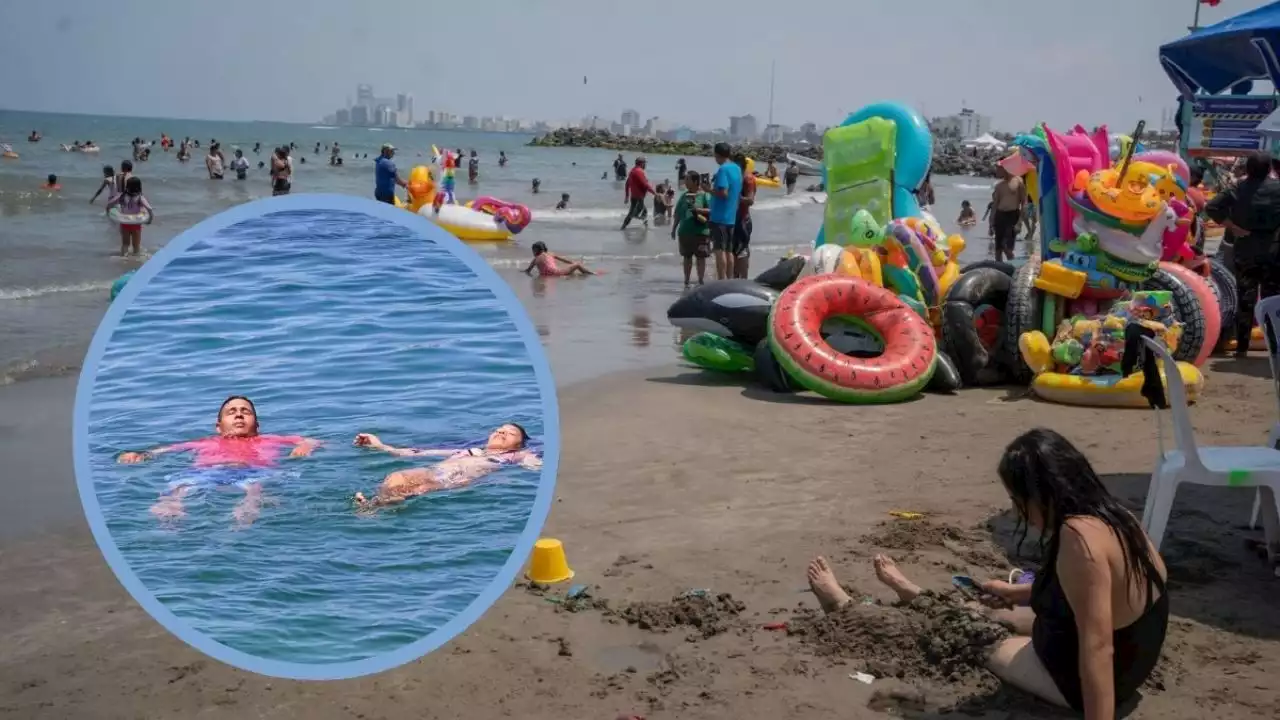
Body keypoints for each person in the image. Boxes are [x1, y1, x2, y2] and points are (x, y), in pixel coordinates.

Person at [805, 428, 1168, 717]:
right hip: (1133, 664)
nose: (1017, 511)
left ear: (1041, 494)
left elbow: (1098, 647)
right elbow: (1094, 591)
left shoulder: (1078, 539)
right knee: (989, 609)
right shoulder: (1115, 517)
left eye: (1017, 501)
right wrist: (1016, 594)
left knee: (961, 631)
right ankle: (912, 593)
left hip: (1073, 677)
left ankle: (847, 605)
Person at [117, 396, 321, 526]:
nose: (239, 415)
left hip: (253, 471)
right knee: (181, 485)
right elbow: (163, 450)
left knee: (255, 488)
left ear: (257, 424)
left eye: (245, 411)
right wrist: (140, 455)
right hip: (207, 472)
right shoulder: (203, 442)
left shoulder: (270, 439)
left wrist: (305, 446)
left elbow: (311, 440)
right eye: (231, 412)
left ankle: (248, 508)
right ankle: (171, 506)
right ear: (219, 426)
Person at [352, 424, 542, 508]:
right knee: (397, 477)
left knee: (418, 489)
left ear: (518, 443)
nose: (501, 432)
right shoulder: (468, 450)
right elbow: (414, 453)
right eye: (499, 429)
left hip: (458, 479)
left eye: (510, 433)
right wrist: (379, 445)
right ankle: (375, 505)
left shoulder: (517, 455)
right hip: (433, 471)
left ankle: (375, 507)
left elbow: (536, 467)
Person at [1204, 151, 1280, 356]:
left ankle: (1242, 347)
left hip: (1245, 251)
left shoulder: (1237, 188)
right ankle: (1274, 347)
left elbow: (1211, 207)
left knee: (1245, 300)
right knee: (1271, 300)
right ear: (1269, 169)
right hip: (1273, 252)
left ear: (1248, 169)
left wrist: (1233, 227)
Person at [709, 143, 744, 280]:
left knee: (719, 250)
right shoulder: (737, 169)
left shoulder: (723, 170)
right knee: (729, 251)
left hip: (719, 216)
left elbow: (723, 193)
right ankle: (729, 279)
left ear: (717, 155)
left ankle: (721, 280)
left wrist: (708, 190)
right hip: (731, 216)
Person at [672, 170, 712, 287]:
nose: (685, 182)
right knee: (687, 257)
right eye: (685, 179)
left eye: (688, 180)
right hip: (685, 232)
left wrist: (697, 210)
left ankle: (700, 281)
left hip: (701, 232)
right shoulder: (684, 196)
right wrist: (674, 228)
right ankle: (686, 281)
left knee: (701, 257)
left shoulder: (704, 195)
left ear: (695, 182)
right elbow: (678, 213)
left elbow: (711, 211)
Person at [105, 176, 153, 256]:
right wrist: (149, 220)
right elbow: (149, 209)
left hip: (125, 223)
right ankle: (136, 259)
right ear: (139, 187)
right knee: (136, 245)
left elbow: (109, 204)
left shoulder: (122, 196)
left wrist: (108, 213)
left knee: (125, 244)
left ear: (127, 186)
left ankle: (124, 257)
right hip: (136, 224)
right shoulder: (140, 198)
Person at [991, 167, 1026, 262]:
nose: (997, 171)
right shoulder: (999, 185)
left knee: (1007, 247)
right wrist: (991, 223)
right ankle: (999, 270)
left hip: (1012, 215)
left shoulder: (1018, 181)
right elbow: (995, 205)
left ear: (1005, 168)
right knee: (998, 249)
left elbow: (1024, 202)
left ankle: (1013, 268)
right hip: (1000, 215)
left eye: (999, 169)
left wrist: (1020, 222)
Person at [732, 153, 757, 279]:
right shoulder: (735, 178)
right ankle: (734, 279)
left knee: (742, 251)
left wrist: (736, 197)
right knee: (733, 251)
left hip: (743, 220)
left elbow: (750, 200)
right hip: (732, 219)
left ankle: (744, 280)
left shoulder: (748, 179)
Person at [523, 241, 594, 277]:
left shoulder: (535, 259)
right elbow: (564, 260)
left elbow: (528, 271)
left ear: (537, 250)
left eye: (534, 250)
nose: (533, 252)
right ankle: (591, 273)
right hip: (557, 273)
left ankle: (587, 274)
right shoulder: (550, 254)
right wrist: (572, 263)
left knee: (572, 273)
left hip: (547, 276)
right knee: (577, 265)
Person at [621, 156, 655, 230]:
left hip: (634, 196)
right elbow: (645, 185)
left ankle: (625, 226)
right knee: (635, 213)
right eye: (645, 163)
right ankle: (625, 226)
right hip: (638, 197)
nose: (645, 165)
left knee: (642, 211)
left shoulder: (632, 171)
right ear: (642, 163)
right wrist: (655, 193)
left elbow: (627, 184)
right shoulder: (639, 171)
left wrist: (627, 196)